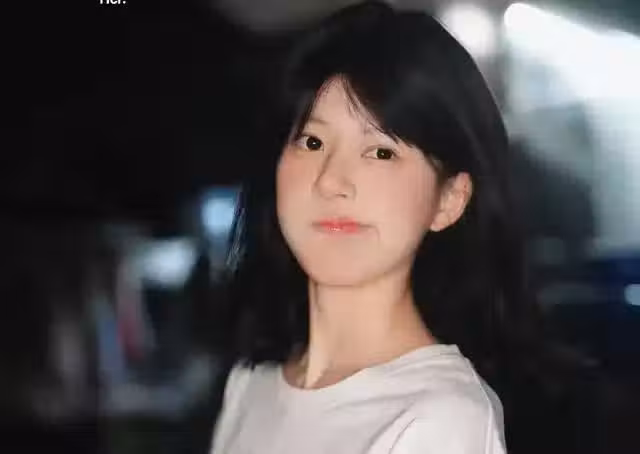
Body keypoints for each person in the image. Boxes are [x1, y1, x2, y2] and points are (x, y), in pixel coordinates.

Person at [209, 2, 533, 453]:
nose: (331, 181)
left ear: (449, 199)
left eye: (381, 152)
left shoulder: (441, 419)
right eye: (312, 141)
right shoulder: (249, 383)